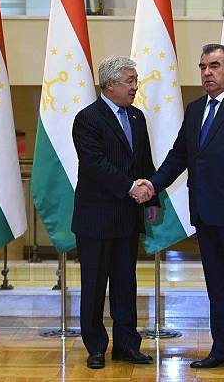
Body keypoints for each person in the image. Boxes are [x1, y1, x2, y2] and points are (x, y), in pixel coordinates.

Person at [136, 44, 224, 378]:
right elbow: (179, 154)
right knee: (218, 287)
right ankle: (221, 349)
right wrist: (154, 185)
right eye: (202, 67)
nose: (206, 73)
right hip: (207, 214)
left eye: (214, 66)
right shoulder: (196, 108)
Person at [72, 55, 158, 370]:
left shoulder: (136, 117)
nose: (135, 87)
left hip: (127, 216)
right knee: (94, 286)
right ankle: (95, 347)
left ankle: (126, 346)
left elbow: (144, 161)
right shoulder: (87, 118)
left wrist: (151, 200)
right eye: (130, 81)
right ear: (110, 85)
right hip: (95, 218)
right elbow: (95, 165)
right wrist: (129, 187)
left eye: (135, 80)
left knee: (125, 284)